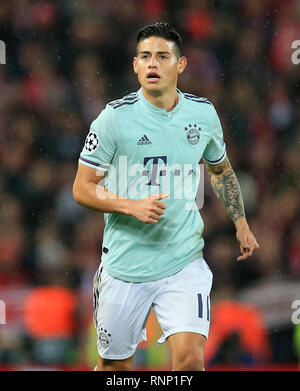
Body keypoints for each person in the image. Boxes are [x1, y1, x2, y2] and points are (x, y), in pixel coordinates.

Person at [72, 22, 259, 371]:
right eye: (145, 57)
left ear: (181, 64)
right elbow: (82, 188)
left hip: (183, 261)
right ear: (135, 65)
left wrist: (241, 223)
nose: (152, 64)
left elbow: (220, 171)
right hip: (126, 265)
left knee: (189, 361)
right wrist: (131, 206)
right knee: (115, 367)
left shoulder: (202, 114)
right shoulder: (113, 119)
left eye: (162, 56)